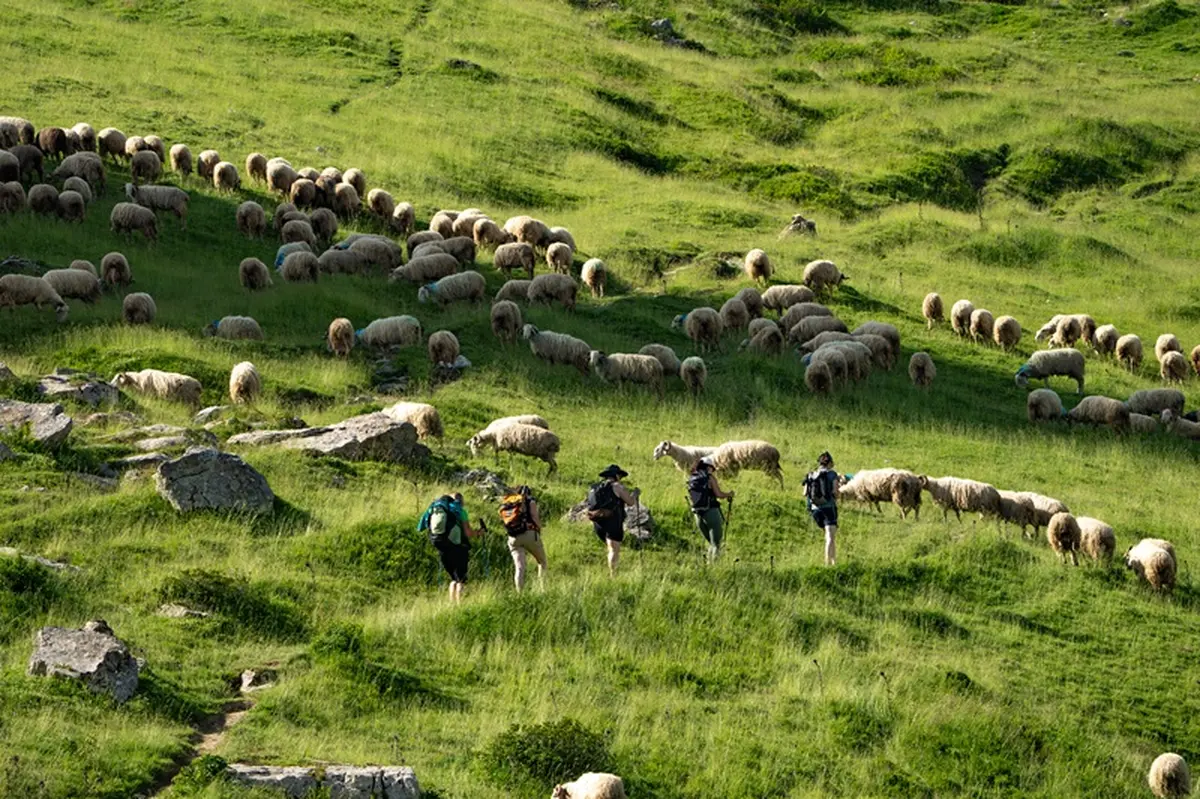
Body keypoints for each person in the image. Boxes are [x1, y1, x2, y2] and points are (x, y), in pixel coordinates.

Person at [419, 492, 482, 603]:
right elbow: (468, 533)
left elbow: (422, 526)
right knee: (461, 580)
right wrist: (477, 533)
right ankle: (460, 606)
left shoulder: (437, 509)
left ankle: (451, 604)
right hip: (458, 547)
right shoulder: (460, 511)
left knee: (453, 578)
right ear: (459, 501)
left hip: (442, 545)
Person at [586, 464, 639, 576]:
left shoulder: (594, 487)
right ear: (616, 476)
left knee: (610, 547)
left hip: (597, 521)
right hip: (613, 521)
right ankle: (613, 575)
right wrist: (635, 494)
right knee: (613, 550)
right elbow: (630, 502)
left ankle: (612, 571)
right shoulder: (617, 487)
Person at [498, 485, 546, 592]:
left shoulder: (508, 503)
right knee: (542, 562)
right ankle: (542, 590)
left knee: (519, 567)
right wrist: (539, 528)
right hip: (529, 534)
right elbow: (534, 516)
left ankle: (520, 594)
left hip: (512, 537)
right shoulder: (529, 501)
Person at [687, 457, 734, 563]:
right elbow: (719, 494)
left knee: (710, 543)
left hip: (697, 514)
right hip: (711, 512)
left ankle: (708, 565)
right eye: (712, 468)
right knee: (716, 544)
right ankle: (715, 567)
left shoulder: (692, 477)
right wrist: (729, 494)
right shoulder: (710, 478)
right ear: (709, 467)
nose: (713, 471)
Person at [803, 451, 841, 566]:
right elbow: (835, 492)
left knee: (829, 536)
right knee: (830, 536)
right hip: (828, 508)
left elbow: (804, 493)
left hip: (815, 510)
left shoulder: (810, 474)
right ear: (829, 463)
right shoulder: (832, 474)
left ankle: (834, 562)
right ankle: (827, 563)